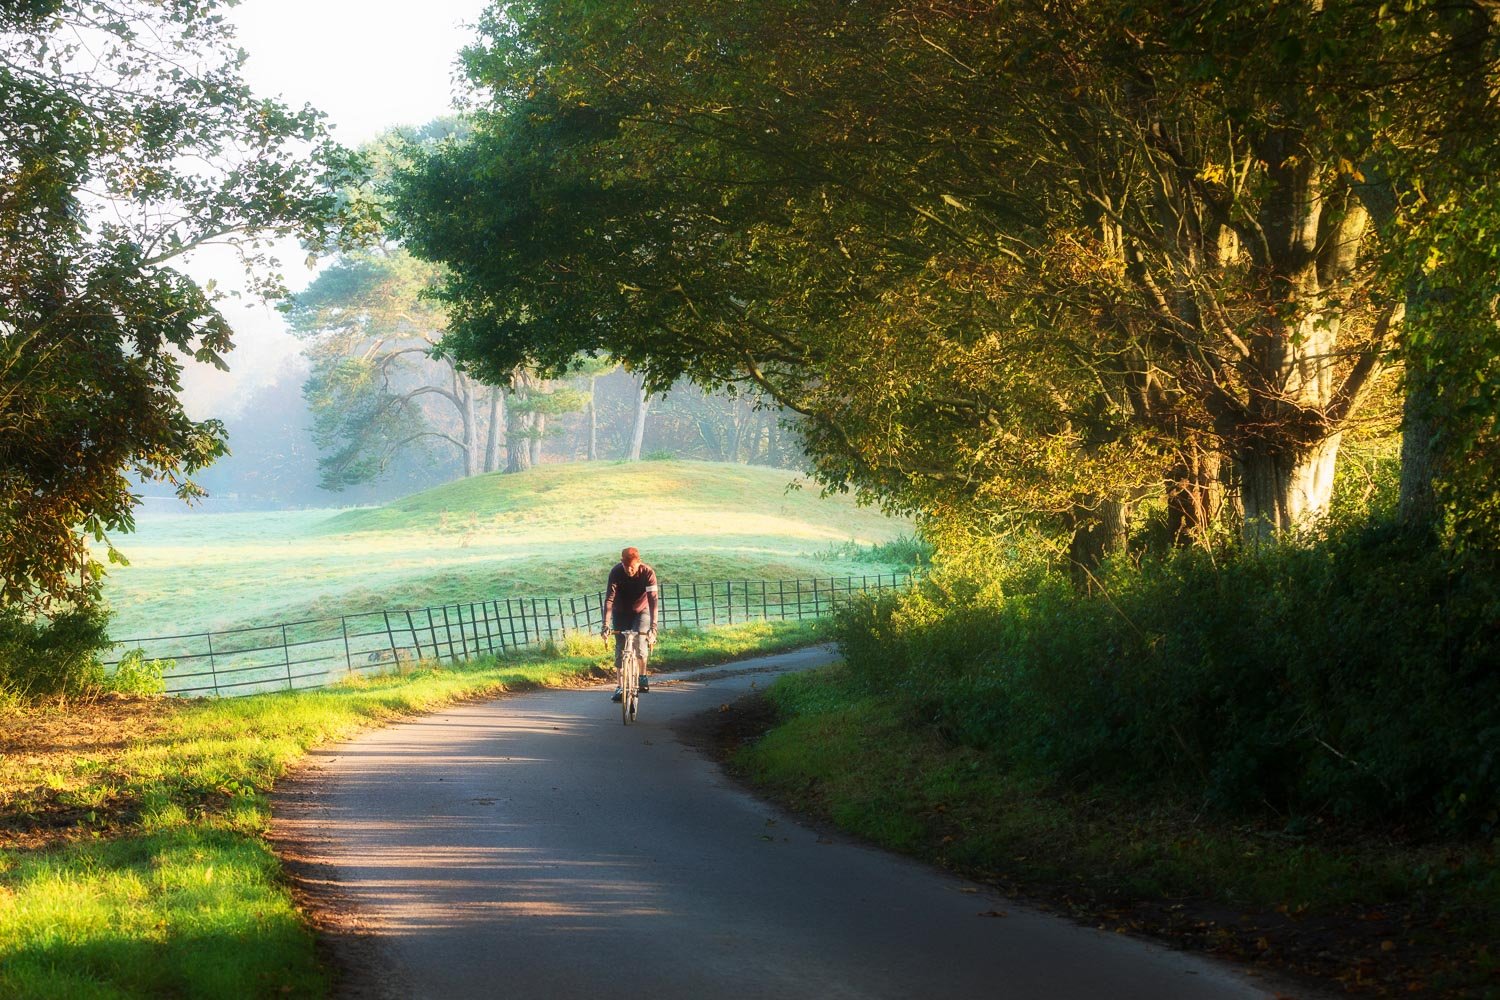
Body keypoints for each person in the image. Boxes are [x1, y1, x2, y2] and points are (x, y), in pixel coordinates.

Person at [602, 546, 658, 702]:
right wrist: (605, 624)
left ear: (639, 563)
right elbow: (609, 599)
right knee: (620, 647)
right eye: (626, 567)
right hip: (620, 611)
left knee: (640, 640)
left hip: (642, 610)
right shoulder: (616, 572)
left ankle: (642, 676)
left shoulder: (648, 573)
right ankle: (620, 687)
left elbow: (653, 600)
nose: (629, 570)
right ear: (622, 563)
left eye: (632, 567)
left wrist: (653, 627)